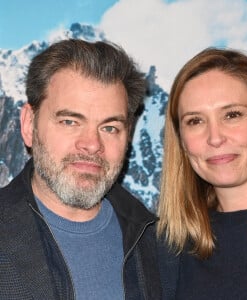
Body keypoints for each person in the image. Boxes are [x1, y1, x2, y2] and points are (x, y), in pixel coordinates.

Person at [0, 39, 164, 300]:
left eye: (110, 127)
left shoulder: (157, 246)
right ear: (29, 124)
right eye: (70, 121)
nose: (91, 144)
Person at [157, 47, 247, 299]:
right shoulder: (171, 250)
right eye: (195, 121)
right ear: (180, 139)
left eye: (232, 115)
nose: (215, 138)